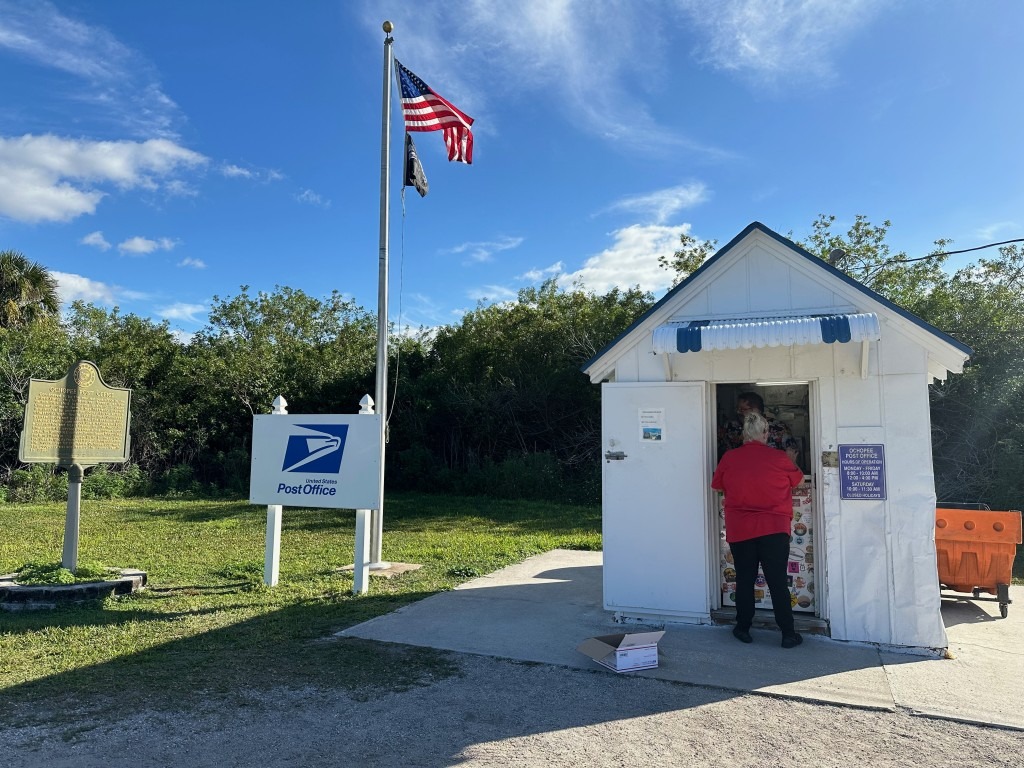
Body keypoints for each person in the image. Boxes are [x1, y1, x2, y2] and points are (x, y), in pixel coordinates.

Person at [712, 410, 805, 648]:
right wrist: (792, 459)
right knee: (776, 581)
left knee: (744, 579)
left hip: (740, 528)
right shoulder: (779, 458)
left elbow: (717, 485)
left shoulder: (730, 458)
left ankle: (743, 628)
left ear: (744, 434)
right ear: (765, 433)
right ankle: (788, 634)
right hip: (774, 528)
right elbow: (799, 481)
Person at [719, 391, 799, 465]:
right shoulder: (731, 427)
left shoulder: (779, 428)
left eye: (742, 409)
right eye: (737, 409)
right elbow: (722, 452)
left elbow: (792, 454)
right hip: (740, 472)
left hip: (772, 473)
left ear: (755, 410)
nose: (738, 412)